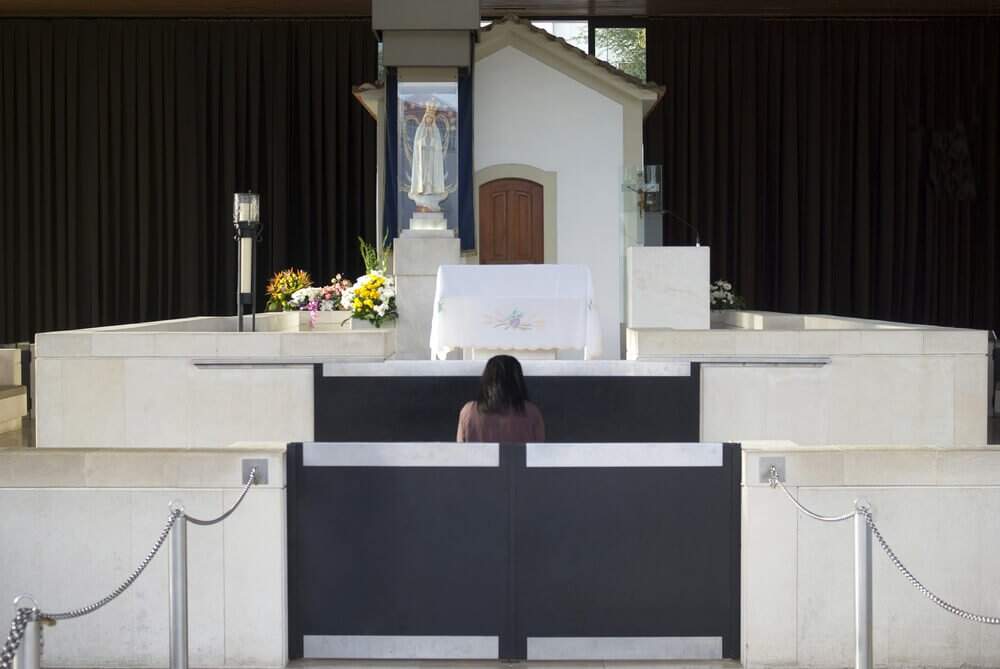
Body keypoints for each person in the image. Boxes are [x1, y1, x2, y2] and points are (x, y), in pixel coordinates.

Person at [456, 355, 545, 443]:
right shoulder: (532, 412)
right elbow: (540, 449)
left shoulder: (468, 412)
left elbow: (460, 448)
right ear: (517, 379)